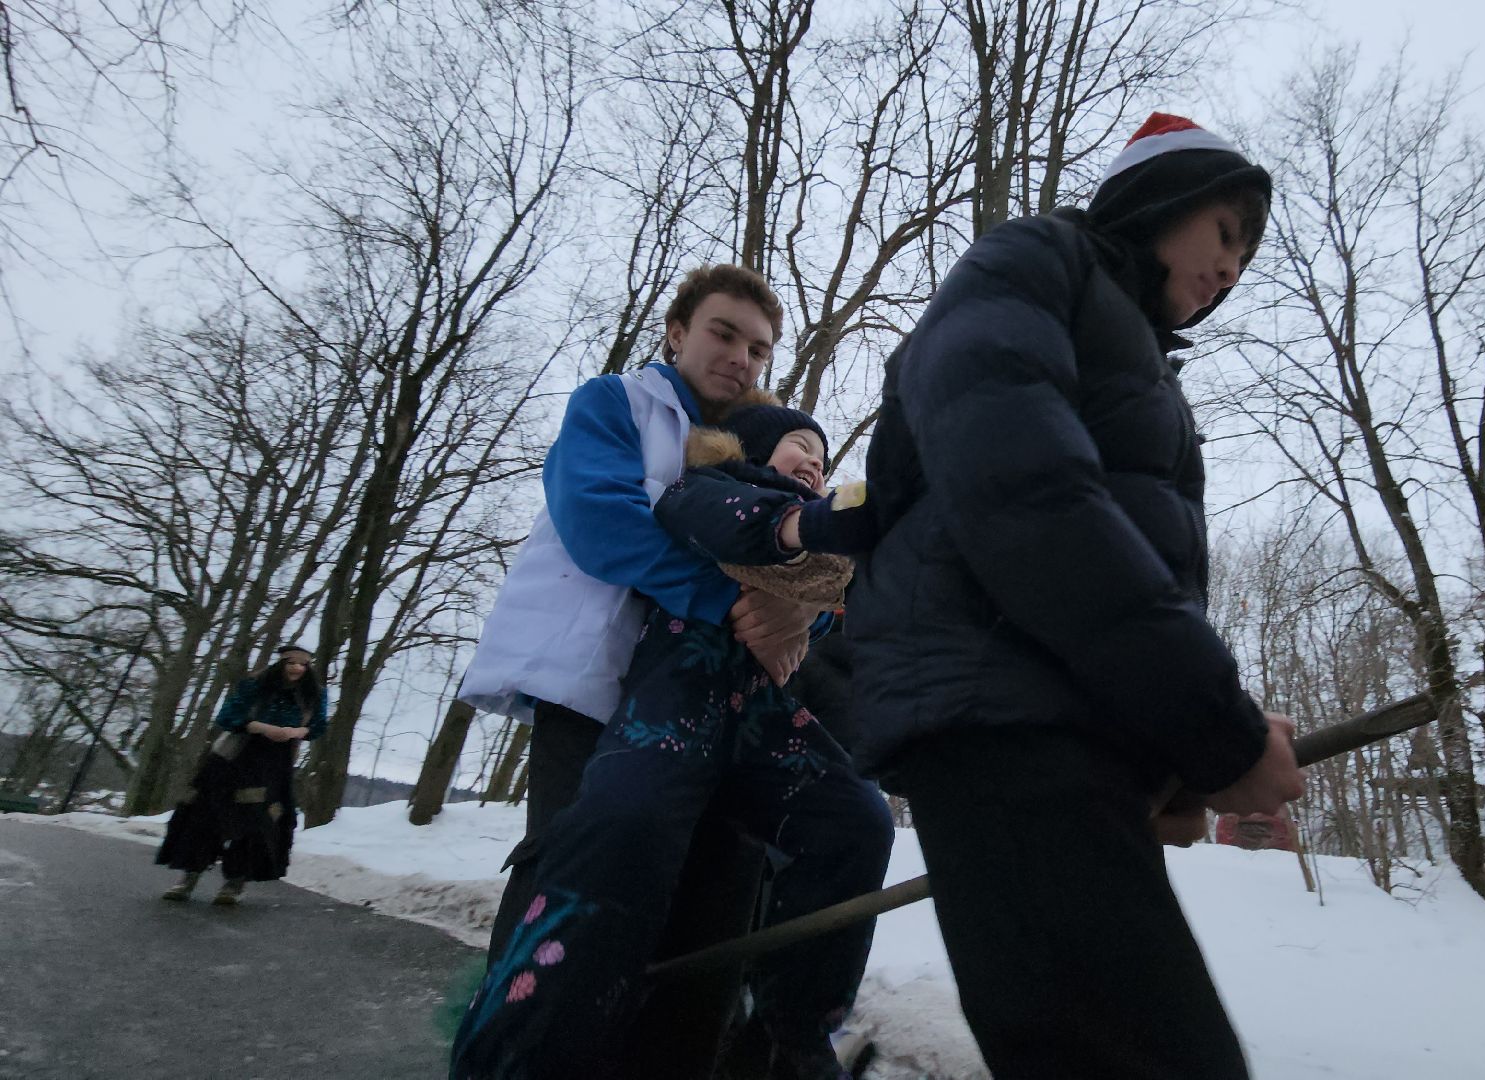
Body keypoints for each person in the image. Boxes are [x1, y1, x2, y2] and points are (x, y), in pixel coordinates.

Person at [847, 112, 1306, 1079]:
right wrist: (1215, 730)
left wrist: (1163, 763)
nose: (1232, 270)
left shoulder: (1144, 368)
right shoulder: (1033, 260)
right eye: (1226, 234)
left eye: (1246, 260)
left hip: (1055, 733)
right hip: (997, 724)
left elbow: (1119, 574)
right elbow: (1027, 496)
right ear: (1161, 198)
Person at [451, 401, 892, 1080]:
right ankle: (517, 1045)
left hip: (762, 719)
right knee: (621, 824)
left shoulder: (822, 554)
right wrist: (806, 522)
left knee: (859, 822)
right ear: (754, 448)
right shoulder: (710, 486)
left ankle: (794, 1031)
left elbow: (851, 614)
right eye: (799, 445)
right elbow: (710, 521)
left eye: (824, 458)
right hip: (675, 700)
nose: (814, 462)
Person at [456, 265, 826, 969]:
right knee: (573, 864)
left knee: (701, 891)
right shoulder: (616, 403)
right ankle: (517, 1036)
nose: (740, 358)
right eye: (723, 334)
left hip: (710, 702)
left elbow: (804, 574)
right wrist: (739, 607)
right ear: (677, 331)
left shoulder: (762, 442)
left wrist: (797, 616)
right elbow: (601, 524)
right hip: (593, 681)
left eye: (757, 348)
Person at [156, 644, 328, 905]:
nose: (296, 668)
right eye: (291, 662)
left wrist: (295, 732)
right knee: (205, 815)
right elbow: (227, 716)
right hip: (235, 755)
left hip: (275, 763)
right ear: (281, 663)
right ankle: (188, 877)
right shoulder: (254, 685)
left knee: (258, 822)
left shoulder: (314, 694)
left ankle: (235, 882)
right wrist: (258, 726)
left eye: (302, 664)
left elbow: (317, 726)